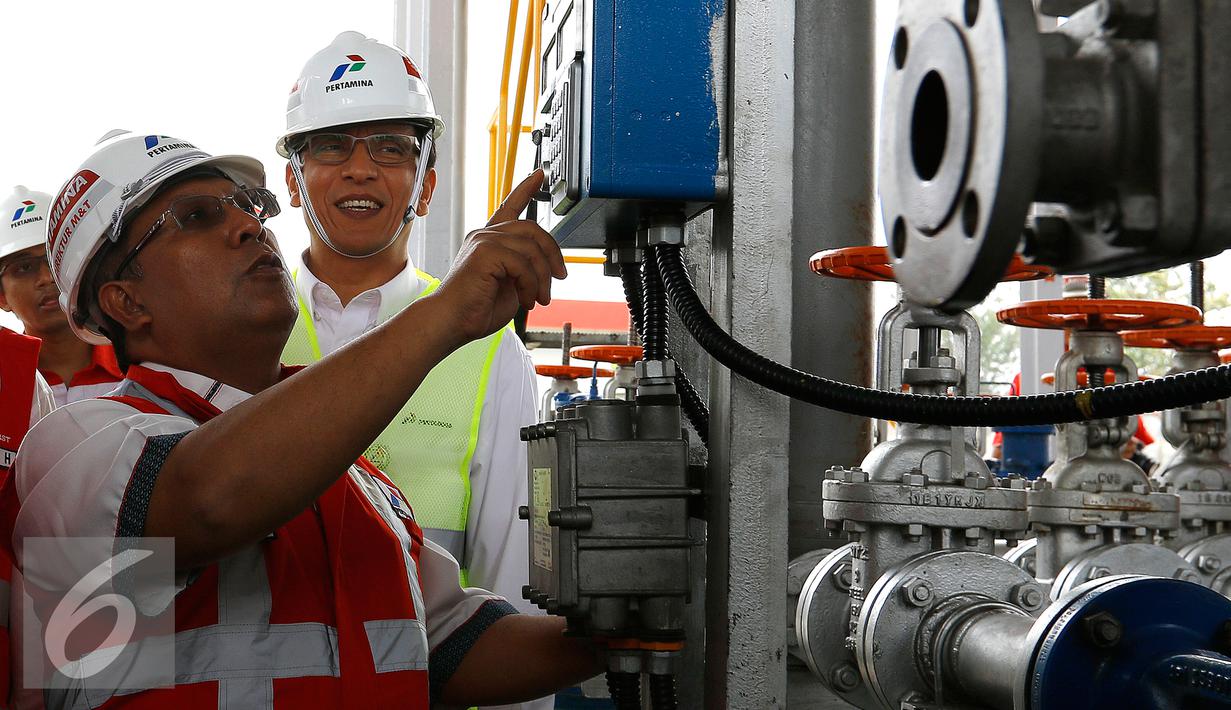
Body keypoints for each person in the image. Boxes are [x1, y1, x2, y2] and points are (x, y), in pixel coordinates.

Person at [3, 131, 596, 707]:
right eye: (196, 217)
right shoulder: (79, 442)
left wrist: (631, 631)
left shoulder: (349, 472)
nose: (247, 225)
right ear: (126, 302)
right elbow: (209, 500)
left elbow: (448, 644)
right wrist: (443, 314)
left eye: (247, 206)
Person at [277, 32, 539, 613]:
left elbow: (517, 589)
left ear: (426, 188)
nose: (361, 171)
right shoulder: (233, 332)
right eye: (331, 147)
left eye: (391, 149)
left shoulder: (489, 350)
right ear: (294, 182)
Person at [0, 186, 124, 406]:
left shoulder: (138, 363)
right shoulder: (5, 386)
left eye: (55, 259)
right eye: (24, 267)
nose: (47, 278)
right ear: (2, 297)